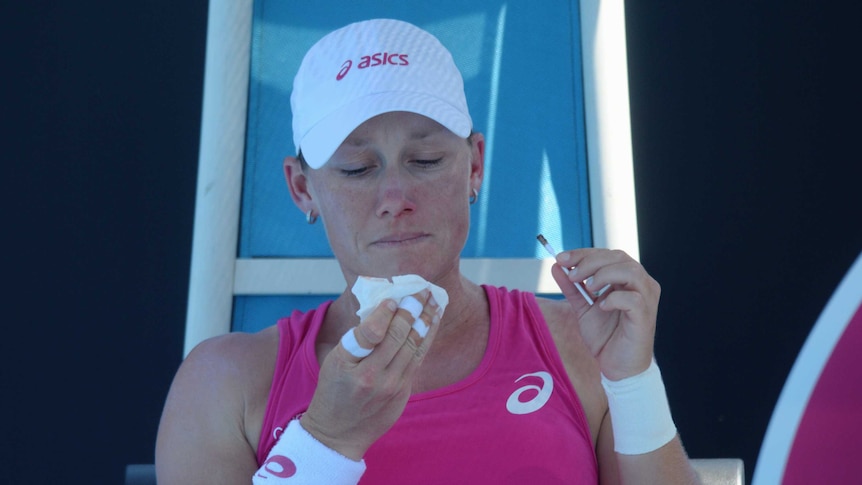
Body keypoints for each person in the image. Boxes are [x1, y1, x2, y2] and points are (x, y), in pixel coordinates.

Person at [155, 18, 702, 484]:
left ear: (475, 167)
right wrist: (325, 441)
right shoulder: (225, 384)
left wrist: (634, 384)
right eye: (357, 169)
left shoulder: (579, 348)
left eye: (425, 161)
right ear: (303, 189)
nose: (395, 198)